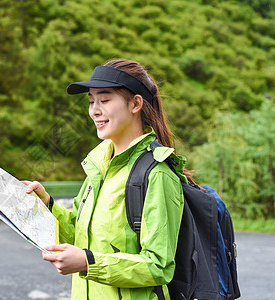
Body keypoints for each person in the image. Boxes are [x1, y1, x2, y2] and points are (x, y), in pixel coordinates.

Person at [25, 59, 190, 300]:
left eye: (104, 100)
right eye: (91, 101)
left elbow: (158, 266)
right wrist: (47, 204)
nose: (94, 110)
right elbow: (79, 237)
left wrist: (88, 263)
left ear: (135, 104)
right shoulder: (99, 165)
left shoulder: (157, 173)